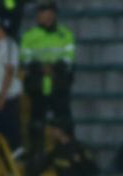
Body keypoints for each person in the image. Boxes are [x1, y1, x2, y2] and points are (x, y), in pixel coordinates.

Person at [20, 0, 74, 155]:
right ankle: (37, 156)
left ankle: (67, 154)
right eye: (44, 14)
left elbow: (68, 59)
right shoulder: (29, 37)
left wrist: (53, 68)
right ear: (38, 17)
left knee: (64, 122)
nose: (48, 17)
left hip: (59, 85)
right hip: (38, 86)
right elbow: (25, 59)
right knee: (36, 123)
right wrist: (41, 68)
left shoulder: (66, 35)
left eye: (51, 14)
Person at [0, 14, 21, 149]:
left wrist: (2, 97)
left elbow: (9, 72)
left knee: (9, 133)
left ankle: (13, 162)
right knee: (0, 132)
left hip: (7, 98)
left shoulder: (9, 45)